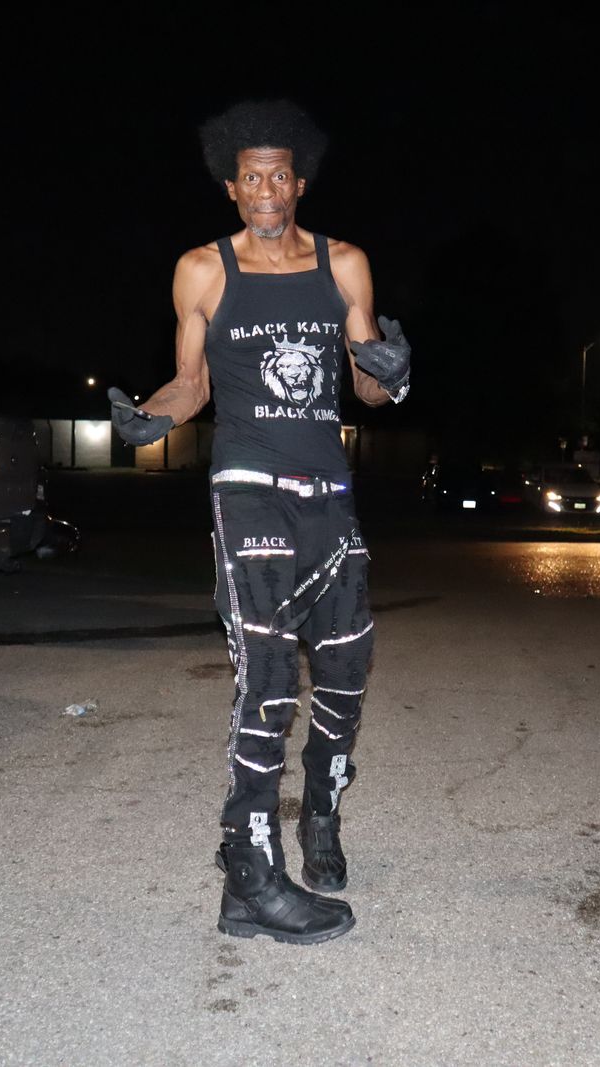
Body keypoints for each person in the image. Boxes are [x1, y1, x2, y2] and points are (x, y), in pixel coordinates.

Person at [107, 99, 411, 945]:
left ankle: (321, 809)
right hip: (247, 487)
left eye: (280, 176)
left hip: (329, 492)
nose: (267, 189)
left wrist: (394, 370)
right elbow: (191, 383)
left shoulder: (345, 263)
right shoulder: (202, 270)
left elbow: (368, 384)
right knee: (270, 671)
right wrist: (150, 417)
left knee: (347, 667)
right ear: (231, 187)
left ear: (299, 183)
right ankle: (249, 867)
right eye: (252, 178)